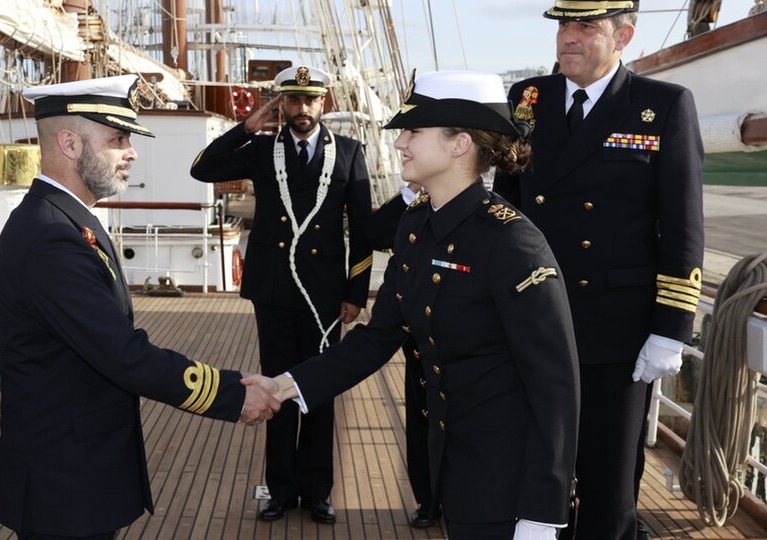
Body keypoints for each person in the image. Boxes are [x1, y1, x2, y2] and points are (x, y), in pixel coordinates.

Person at [250, 70, 582, 539]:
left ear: (459, 144)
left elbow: (555, 389)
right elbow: (378, 337)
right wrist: (286, 385)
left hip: (509, 476)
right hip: (453, 461)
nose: (401, 142)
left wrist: (542, 514)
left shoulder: (513, 244)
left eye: (414, 131)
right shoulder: (416, 225)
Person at [0, 74, 279, 539]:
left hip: (79, 472)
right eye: (118, 139)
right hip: (63, 483)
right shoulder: (51, 236)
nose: (131, 152)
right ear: (68, 143)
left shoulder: (66, 220)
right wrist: (232, 393)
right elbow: (122, 354)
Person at [493, 2, 704, 538]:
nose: (568, 37)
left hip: (618, 328)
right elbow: (508, 205)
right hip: (534, 316)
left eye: (585, 26)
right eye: (564, 25)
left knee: (608, 484)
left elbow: (683, 226)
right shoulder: (528, 98)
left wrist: (671, 329)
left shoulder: (662, 105)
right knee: (536, 468)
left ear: (623, 36)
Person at [190, 65, 373, 524]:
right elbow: (202, 169)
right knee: (275, 390)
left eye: (310, 100)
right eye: (293, 101)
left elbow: (363, 233)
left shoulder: (349, 153)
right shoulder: (260, 148)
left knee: (320, 391)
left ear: (323, 102)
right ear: (282, 105)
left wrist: (356, 292)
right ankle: (279, 490)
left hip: (325, 296)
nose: (302, 110)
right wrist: (244, 128)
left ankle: (317, 492)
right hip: (273, 290)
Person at [366, 182, 440, 529]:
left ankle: (454, 498)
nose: (402, 147)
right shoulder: (415, 204)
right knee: (421, 417)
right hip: (419, 338)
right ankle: (428, 500)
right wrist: (411, 193)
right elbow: (375, 233)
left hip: (463, 342)